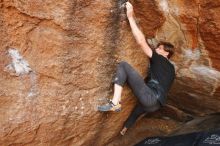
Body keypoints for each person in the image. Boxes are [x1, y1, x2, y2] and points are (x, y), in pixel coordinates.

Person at [98, 2, 175, 135]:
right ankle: (125, 129)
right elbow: (147, 102)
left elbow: (141, 42)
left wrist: (130, 17)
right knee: (139, 108)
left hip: (151, 97)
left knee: (123, 65)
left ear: (166, 53)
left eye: (159, 48)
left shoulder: (159, 58)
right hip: (155, 106)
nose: (156, 49)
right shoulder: (172, 71)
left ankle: (115, 102)